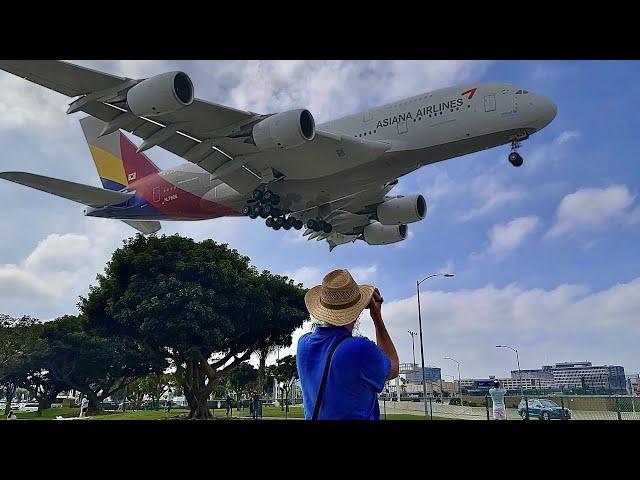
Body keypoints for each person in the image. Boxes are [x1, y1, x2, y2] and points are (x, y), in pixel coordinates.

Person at [297, 269, 399, 420]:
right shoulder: (360, 349)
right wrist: (377, 318)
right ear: (358, 310)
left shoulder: (303, 344)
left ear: (323, 307)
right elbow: (394, 368)